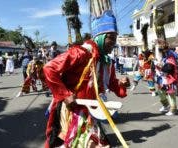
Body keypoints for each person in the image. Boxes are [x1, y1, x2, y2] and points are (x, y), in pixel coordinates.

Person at [43, 10, 130, 148]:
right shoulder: (80, 53)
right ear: (100, 37)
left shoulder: (107, 62)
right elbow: (49, 68)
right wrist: (65, 95)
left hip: (90, 111)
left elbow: (113, 85)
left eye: (115, 38)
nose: (113, 43)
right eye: (110, 38)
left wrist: (122, 83)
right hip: (73, 111)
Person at [155, 39, 178, 116]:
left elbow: (169, 67)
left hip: (170, 77)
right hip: (163, 77)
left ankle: (173, 109)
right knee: (160, 91)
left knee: (171, 93)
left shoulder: (170, 55)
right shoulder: (164, 55)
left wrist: (161, 66)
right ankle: (166, 105)